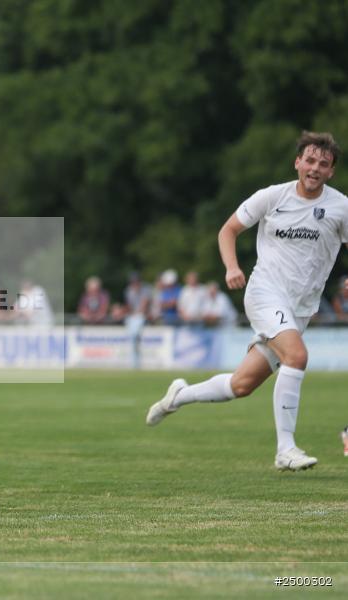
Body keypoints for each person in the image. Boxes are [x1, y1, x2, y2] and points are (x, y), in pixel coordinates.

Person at [147, 131, 348, 471]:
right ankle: (286, 450)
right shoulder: (272, 197)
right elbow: (228, 230)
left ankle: (178, 396)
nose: (315, 168)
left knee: (240, 385)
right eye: (310, 160)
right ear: (297, 162)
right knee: (296, 356)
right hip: (264, 293)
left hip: (299, 310)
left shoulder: (340, 207)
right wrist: (231, 267)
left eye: (323, 164)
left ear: (331, 172)